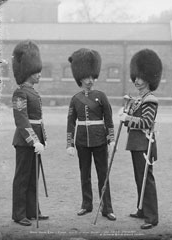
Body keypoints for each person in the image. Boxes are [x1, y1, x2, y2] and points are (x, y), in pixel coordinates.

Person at [66, 48, 116, 221]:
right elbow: (71, 122)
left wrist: (111, 139)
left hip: (100, 140)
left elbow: (109, 119)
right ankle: (86, 205)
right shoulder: (75, 99)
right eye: (87, 77)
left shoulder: (101, 96)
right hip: (82, 141)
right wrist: (69, 143)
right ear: (80, 78)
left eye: (92, 77)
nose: (90, 81)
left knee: (103, 174)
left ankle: (107, 208)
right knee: (84, 174)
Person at [119, 49, 162, 229]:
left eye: (140, 77)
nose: (136, 80)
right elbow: (133, 119)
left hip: (144, 144)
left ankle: (152, 217)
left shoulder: (150, 99)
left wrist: (127, 119)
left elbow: (145, 122)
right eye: (135, 77)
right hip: (136, 144)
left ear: (149, 78)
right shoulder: (139, 99)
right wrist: (126, 110)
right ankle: (142, 209)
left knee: (147, 179)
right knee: (139, 178)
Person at [11, 40, 49, 226]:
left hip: (36, 141)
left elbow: (38, 120)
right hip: (25, 141)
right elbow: (22, 120)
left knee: (33, 177)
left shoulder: (33, 92)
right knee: (23, 178)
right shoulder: (20, 93)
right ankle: (19, 214)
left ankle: (33, 210)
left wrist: (42, 140)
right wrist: (34, 140)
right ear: (28, 72)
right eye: (37, 71)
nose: (39, 75)